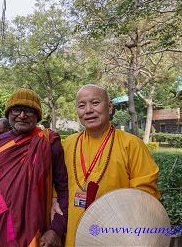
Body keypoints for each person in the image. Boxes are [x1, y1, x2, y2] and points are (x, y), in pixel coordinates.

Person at [61, 84, 161, 246]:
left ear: (109, 106)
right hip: (73, 232)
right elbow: (57, 187)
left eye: (95, 103)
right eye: (81, 105)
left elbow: (144, 196)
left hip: (115, 235)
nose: (88, 110)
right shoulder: (68, 144)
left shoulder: (131, 144)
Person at [0, 88, 68, 247]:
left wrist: (56, 229)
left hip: (34, 227)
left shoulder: (48, 142)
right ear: (8, 113)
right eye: (17, 110)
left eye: (29, 111)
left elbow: (63, 189)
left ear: (37, 115)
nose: (22, 115)